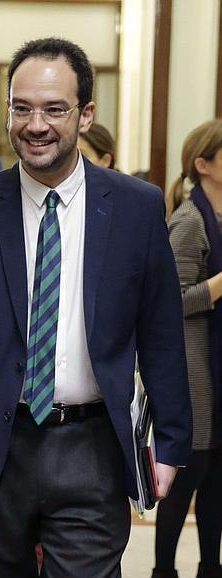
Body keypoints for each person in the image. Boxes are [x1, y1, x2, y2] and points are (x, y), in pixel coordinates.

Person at [0, 37, 192, 578]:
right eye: (22, 107)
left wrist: (170, 443)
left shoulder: (135, 207)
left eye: (55, 109)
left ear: (86, 114)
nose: (37, 124)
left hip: (92, 449)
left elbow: (163, 335)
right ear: (7, 110)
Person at [152, 120, 222, 578]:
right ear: (204, 164)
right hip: (197, 370)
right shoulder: (189, 220)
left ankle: (209, 568)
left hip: (219, 366)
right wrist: (219, 286)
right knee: (187, 480)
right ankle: (163, 571)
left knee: (217, 482)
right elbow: (168, 301)